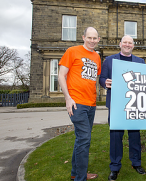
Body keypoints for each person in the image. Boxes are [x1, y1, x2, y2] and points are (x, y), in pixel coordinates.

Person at [99, 35, 146, 181]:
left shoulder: (140, 61)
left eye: (130, 43)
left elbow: (145, 79)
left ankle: (136, 163)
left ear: (133, 45)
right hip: (116, 104)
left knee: (135, 135)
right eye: (125, 42)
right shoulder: (109, 60)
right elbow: (102, 78)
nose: (127, 44)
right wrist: (104, 82)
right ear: (120, 44)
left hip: (134, 104)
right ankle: (114, 167)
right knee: (115, 137)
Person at [58, 27, 101, 181]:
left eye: (95, 38)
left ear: (98, 40)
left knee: (81, 139)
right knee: (84, 139)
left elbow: (93, 79)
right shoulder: (72, 51)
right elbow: (61, 75)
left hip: (91, 104)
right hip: (77, 103)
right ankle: (80, 178)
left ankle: (76, 173)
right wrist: (68, 98)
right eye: (89, 37)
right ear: (83, 37)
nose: (92, 41)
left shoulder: (96, 57)